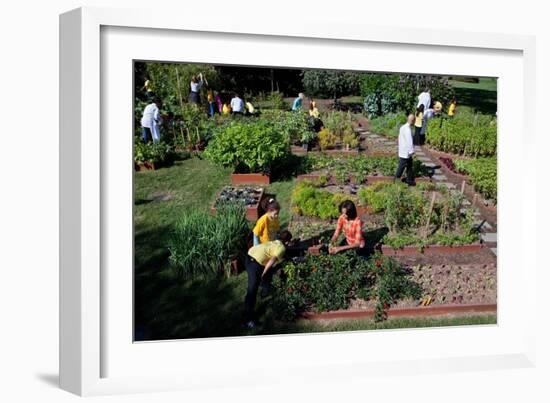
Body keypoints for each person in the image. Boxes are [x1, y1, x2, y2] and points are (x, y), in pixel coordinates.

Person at [244, 230, 293, 328]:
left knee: (269, 272)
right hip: (254, 263)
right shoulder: (282, 248)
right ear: (287, 242)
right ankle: (248, 320)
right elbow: (272, 260)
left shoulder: (275, 242)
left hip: (249, 255)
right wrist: (264, 272)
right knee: (252, 290)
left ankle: (265, 291)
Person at [395, 114, 416, 186]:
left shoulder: (403, 127)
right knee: (402, 166)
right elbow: (409, 141)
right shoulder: (408, 129)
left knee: (410, 165)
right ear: (412, 121)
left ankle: (409, 180)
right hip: (406, 152)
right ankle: (396, 179)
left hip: (402, 149)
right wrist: (411, 151)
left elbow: (399, 138)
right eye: (414, 120)